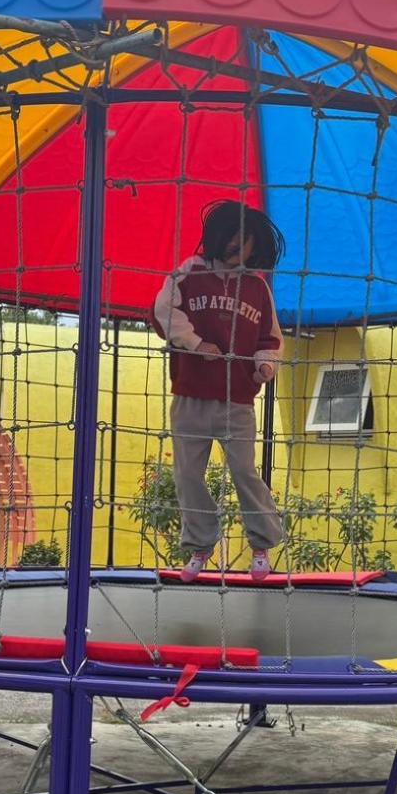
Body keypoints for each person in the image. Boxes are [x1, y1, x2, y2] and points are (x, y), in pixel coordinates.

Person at [151, 201, 286, 581]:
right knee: (187, 474)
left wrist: (265, 365)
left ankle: (260, 544)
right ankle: (200, 546)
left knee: (244, 470)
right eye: (231, 238)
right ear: (216, 237)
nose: (235, 247)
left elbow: (270, 337)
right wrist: (195, 343)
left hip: (237, 399)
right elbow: (164, 312)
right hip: (191, 394)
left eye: (244, 242)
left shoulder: (257, 287)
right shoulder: (188, 273)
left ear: (254, 246)